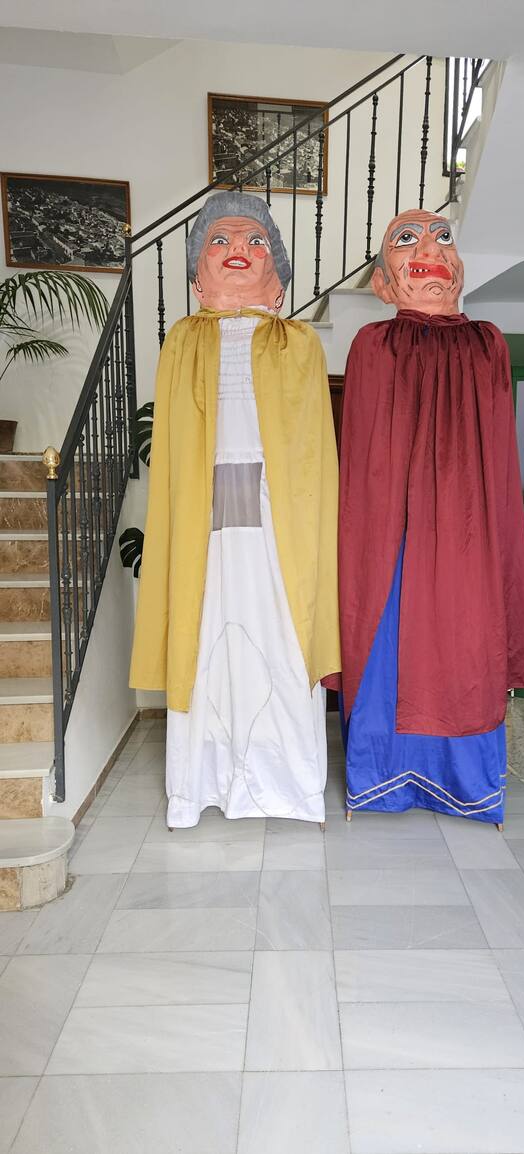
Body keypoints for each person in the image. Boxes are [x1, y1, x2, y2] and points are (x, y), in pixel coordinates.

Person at [130, 191, 340, 827]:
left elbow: (311, 455)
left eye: (254, 242)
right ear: (197, 278)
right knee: (208, 636)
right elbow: (176, 459)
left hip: (282, 525)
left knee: (280, 632)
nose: (238, 251)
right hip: (206, 524)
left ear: (277, 282)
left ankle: (291, 787)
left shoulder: (301, 345)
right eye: (220, 242)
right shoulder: (181, 344)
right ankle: (200, 786)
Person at [337, 208, 524, 826]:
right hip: (391, 534)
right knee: (387, 638)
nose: (429, 247)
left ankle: (467, 783)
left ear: (460, 269)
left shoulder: (489, 343)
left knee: (464, 638)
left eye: (443, 237)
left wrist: (468, 528)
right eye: (406, 240)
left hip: (467, 531)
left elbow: (497, 458)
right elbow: (365, 459)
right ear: (383, 282)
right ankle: (381, 778)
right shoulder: (374, 344)